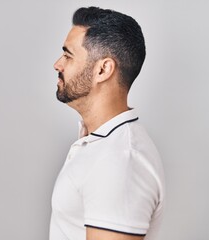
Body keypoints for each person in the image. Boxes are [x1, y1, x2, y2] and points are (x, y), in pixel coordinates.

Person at [50, 6, 165, 240]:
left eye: (68, 55)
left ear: (103, 69)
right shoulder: (99, 141)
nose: (57, 64)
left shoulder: (120, 161)